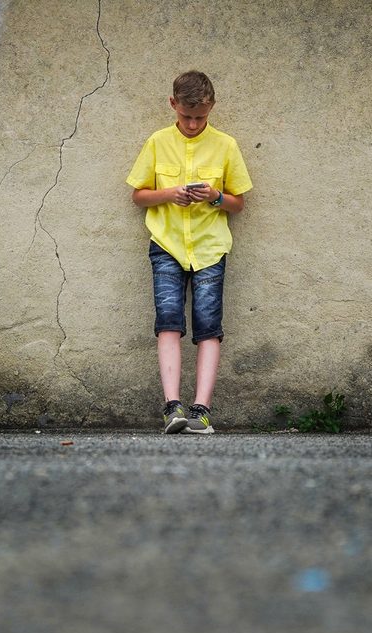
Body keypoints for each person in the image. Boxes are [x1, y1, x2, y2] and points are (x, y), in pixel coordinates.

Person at [126, 70, 252, 434]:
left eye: (201, 117)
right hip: (166, 245)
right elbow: (138, 194)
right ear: (173, 105)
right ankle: (173, 407)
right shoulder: (157, 141)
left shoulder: (226, 145)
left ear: (211, 108)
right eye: (187, 116)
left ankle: (202, 410)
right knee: (168, 320)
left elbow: (238, 203)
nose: (194, 124)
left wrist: (214, 196)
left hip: (210, 248)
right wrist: (170, 194)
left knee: (208, 325)